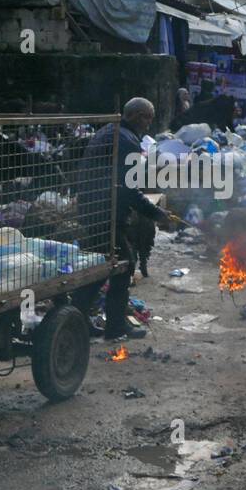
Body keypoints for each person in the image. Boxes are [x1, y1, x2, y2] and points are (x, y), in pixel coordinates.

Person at [76, 98, 171, 341]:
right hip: (104, 212)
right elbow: (129, 190)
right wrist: (156, 213)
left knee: (102, 267)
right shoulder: (127, 142)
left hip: (93, 207)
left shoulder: (111, 131)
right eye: (148, 117)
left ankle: (77, 320)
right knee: (123, 266)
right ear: (137, 116)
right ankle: (115, 328)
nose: (149, 124)